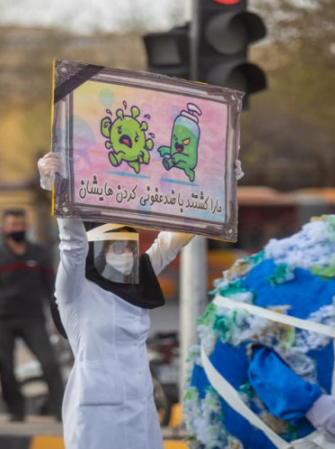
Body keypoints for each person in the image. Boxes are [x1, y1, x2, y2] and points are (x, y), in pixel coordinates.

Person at [37, 152, 242, 448]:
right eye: (115, 247)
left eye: (128, 247)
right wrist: (55, 184)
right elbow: (72, 243)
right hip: (95, 410)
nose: (123, 254)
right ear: (96, 250)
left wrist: (219, 185)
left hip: (141, 404)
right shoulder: (75, 291)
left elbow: (171, 241)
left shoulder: (138, 280)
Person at [0, 207, 64, 422]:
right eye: (13, 225)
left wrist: (57, 318)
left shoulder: (40, 253)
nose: (18, 228)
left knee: (49, 363)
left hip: (32, 317)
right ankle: (16, 412)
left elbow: (51, 288)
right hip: (0, 318)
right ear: (4, 228)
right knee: (6, 367)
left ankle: (61, 411)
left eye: (21, 224)